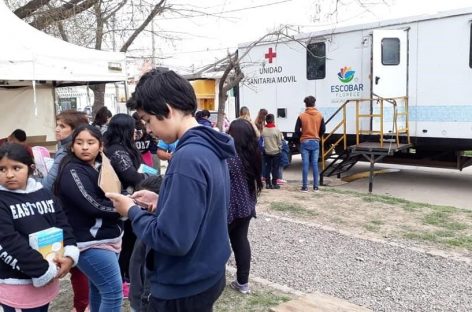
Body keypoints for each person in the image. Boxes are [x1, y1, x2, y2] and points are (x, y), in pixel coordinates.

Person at [106, 68, 235, 312]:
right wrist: (163, 197)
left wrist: (132, 210)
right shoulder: (211, 146)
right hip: (207, 273)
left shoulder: (187, 157)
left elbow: (171, 240)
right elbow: (204, 204)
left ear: (167, 110)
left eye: (147, 120)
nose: (148, 129)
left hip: (182, 285)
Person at [0, 143, 79, 312]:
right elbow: (9, 242)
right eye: (2, 169)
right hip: (17, 285)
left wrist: (69, 256)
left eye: (16, 168)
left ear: (31, 168)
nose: (9, 175)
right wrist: (43, 270)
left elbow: (62, 224)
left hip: (48, 279)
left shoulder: (44, 193)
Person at [54, 125, 123, 311]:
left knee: (99, 290)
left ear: (100, 146)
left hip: (106, 238)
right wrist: (124, 208)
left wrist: (125, 199)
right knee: (113, 294)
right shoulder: (72, 171)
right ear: (72, 147)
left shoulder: (100, 165)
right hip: (89, 242)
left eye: (90, 142)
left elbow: (115, 191)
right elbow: (92, 205)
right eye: (79, 143)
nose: (85, 147)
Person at [40, 109, 90, 312]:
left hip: (70, 215)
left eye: (62, 126)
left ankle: (82, 306)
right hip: (79, 215)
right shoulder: (75, 152)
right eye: (57, 125)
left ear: (74, 130)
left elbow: (47, 184)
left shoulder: (65, 151)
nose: (57, 129)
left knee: (78, 265)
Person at [103, 113, 147, 298]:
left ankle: (127, 278)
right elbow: (131, 175)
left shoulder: (119, 148)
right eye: (132, 128)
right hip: (123, 201)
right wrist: (150, 178)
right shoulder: (117, 151)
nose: (135, 132)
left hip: (129, 199)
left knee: (129, 241)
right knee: (128, 242)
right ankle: (125, 281)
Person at [226, 119, 263, 294]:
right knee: (241, 241)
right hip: (247, 205)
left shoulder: (227, 156)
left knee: (220, 244)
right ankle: (243, 283)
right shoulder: (253, 153)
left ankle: (215, 281)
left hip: (229, 208)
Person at [129, 175, 163, 312]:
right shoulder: (143, 230)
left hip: (146, 301)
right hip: (138, 298)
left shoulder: (154, 234)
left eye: (142, 206)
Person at [294, 95, 325, 192]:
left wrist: (301, 137)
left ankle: (305, 187)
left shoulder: (301, 116)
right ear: (314, 103)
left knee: (305, 164)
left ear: (305, 104)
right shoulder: (320, 115)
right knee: (315, 164)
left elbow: (296, 131)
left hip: (305, 141)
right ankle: (316, 187)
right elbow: (323, 130)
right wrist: (317, 135)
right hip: (315, 141)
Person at [261, 114, 283, 189]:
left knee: (267, 168)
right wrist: (280, 149)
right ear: (273, 120)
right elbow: (280, 142)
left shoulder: (263, 130)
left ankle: (267, 183)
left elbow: (262, 141)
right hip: (276, 152)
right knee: (275, 168)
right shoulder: (276, 130)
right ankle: (274, 183)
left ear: (266, 121)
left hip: (267, 152)